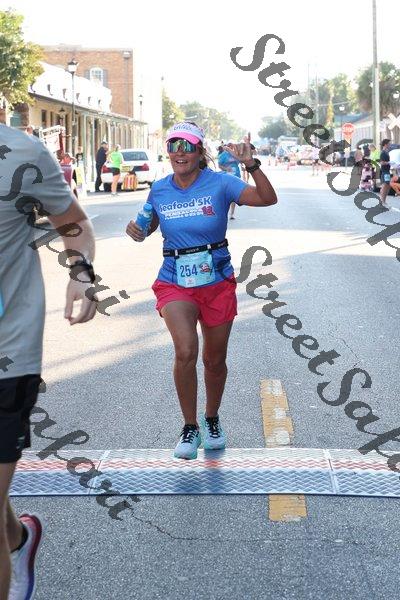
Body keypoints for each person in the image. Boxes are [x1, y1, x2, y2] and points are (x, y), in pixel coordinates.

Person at [126, 121, 277, 460]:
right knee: (185, 351)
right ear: (168, 152)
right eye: (173, 146)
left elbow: (268, 198)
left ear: (199, 152)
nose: (179, 153)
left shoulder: (221, 183)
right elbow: (146, 225)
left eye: (187, 146)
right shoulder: (159, 190)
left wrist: (251, 164)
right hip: (174, 280)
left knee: (214, 359)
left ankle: (211, 418)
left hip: (217, 281)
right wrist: (136, 230)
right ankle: (190, 426)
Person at [0, 123, 97, 600]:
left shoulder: (22, 152)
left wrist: (81, 271)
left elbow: (73, 223)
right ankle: (18, 539)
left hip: (8, 352)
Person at [218, 142, 242, 219]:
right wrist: (226, 168)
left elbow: (240, 161)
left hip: (236, 176)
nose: (230, 147)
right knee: (226, 196)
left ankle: (232, 213)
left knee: (233, 196)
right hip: (226, 177)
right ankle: (225, 212)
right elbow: (219, 165)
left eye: (231, 146)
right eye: (228, 146)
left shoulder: (235, 154)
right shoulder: (223, 155)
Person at [379, 139, 392, 206]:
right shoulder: (383, 153)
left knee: (387, 186)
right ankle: (382, 201)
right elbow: (381, 162)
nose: (390, 145)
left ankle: (383, 201)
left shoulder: (386, 152)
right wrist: (389, 162)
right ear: (385, 144)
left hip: (387, 171)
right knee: (385, 186)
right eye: (389, 144)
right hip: (385, 171)